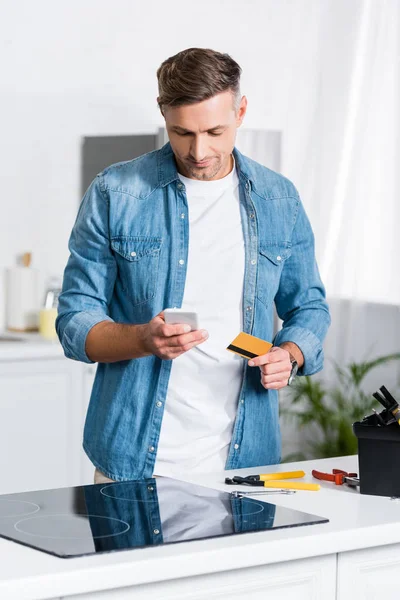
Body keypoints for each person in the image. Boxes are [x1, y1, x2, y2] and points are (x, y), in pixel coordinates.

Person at [56, 47, 330, 483]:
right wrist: (144, 339)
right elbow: (74, 322)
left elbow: (310, 307)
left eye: (215, 132)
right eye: (181, 132)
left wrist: (290, 354)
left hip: (246, 463)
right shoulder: (116, 192)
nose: (199, 151)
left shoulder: (279, 198)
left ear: (241, 111)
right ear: (162, 112)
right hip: (131, 462)